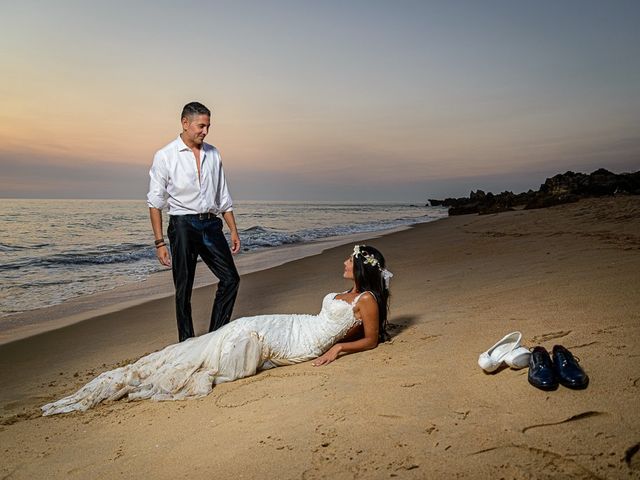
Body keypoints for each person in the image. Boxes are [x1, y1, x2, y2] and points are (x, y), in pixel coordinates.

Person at [41, 245, 392, 416]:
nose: (345, 262)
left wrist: (338, 349)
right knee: (240, 326)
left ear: (361, 266)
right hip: (295, 324)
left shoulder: (366, 299)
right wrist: (338, 337)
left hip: (303, 341)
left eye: (350, 259)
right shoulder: (347, 293)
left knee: (244, 339)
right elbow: (337, 323)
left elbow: (372, 339)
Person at [147, 102, 241, 342]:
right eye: (201, 126)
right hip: (182, 226)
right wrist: (160, 243)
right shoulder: (165, 156)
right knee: (184, 288)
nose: (205, 131)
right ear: (185, 123)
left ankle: (215, 336)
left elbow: (223, 197)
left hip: (211, 225)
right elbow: (155, 203)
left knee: (231, 279)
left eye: (208, 126)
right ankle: (186, 342)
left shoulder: (214, 153)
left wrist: (233, 230)